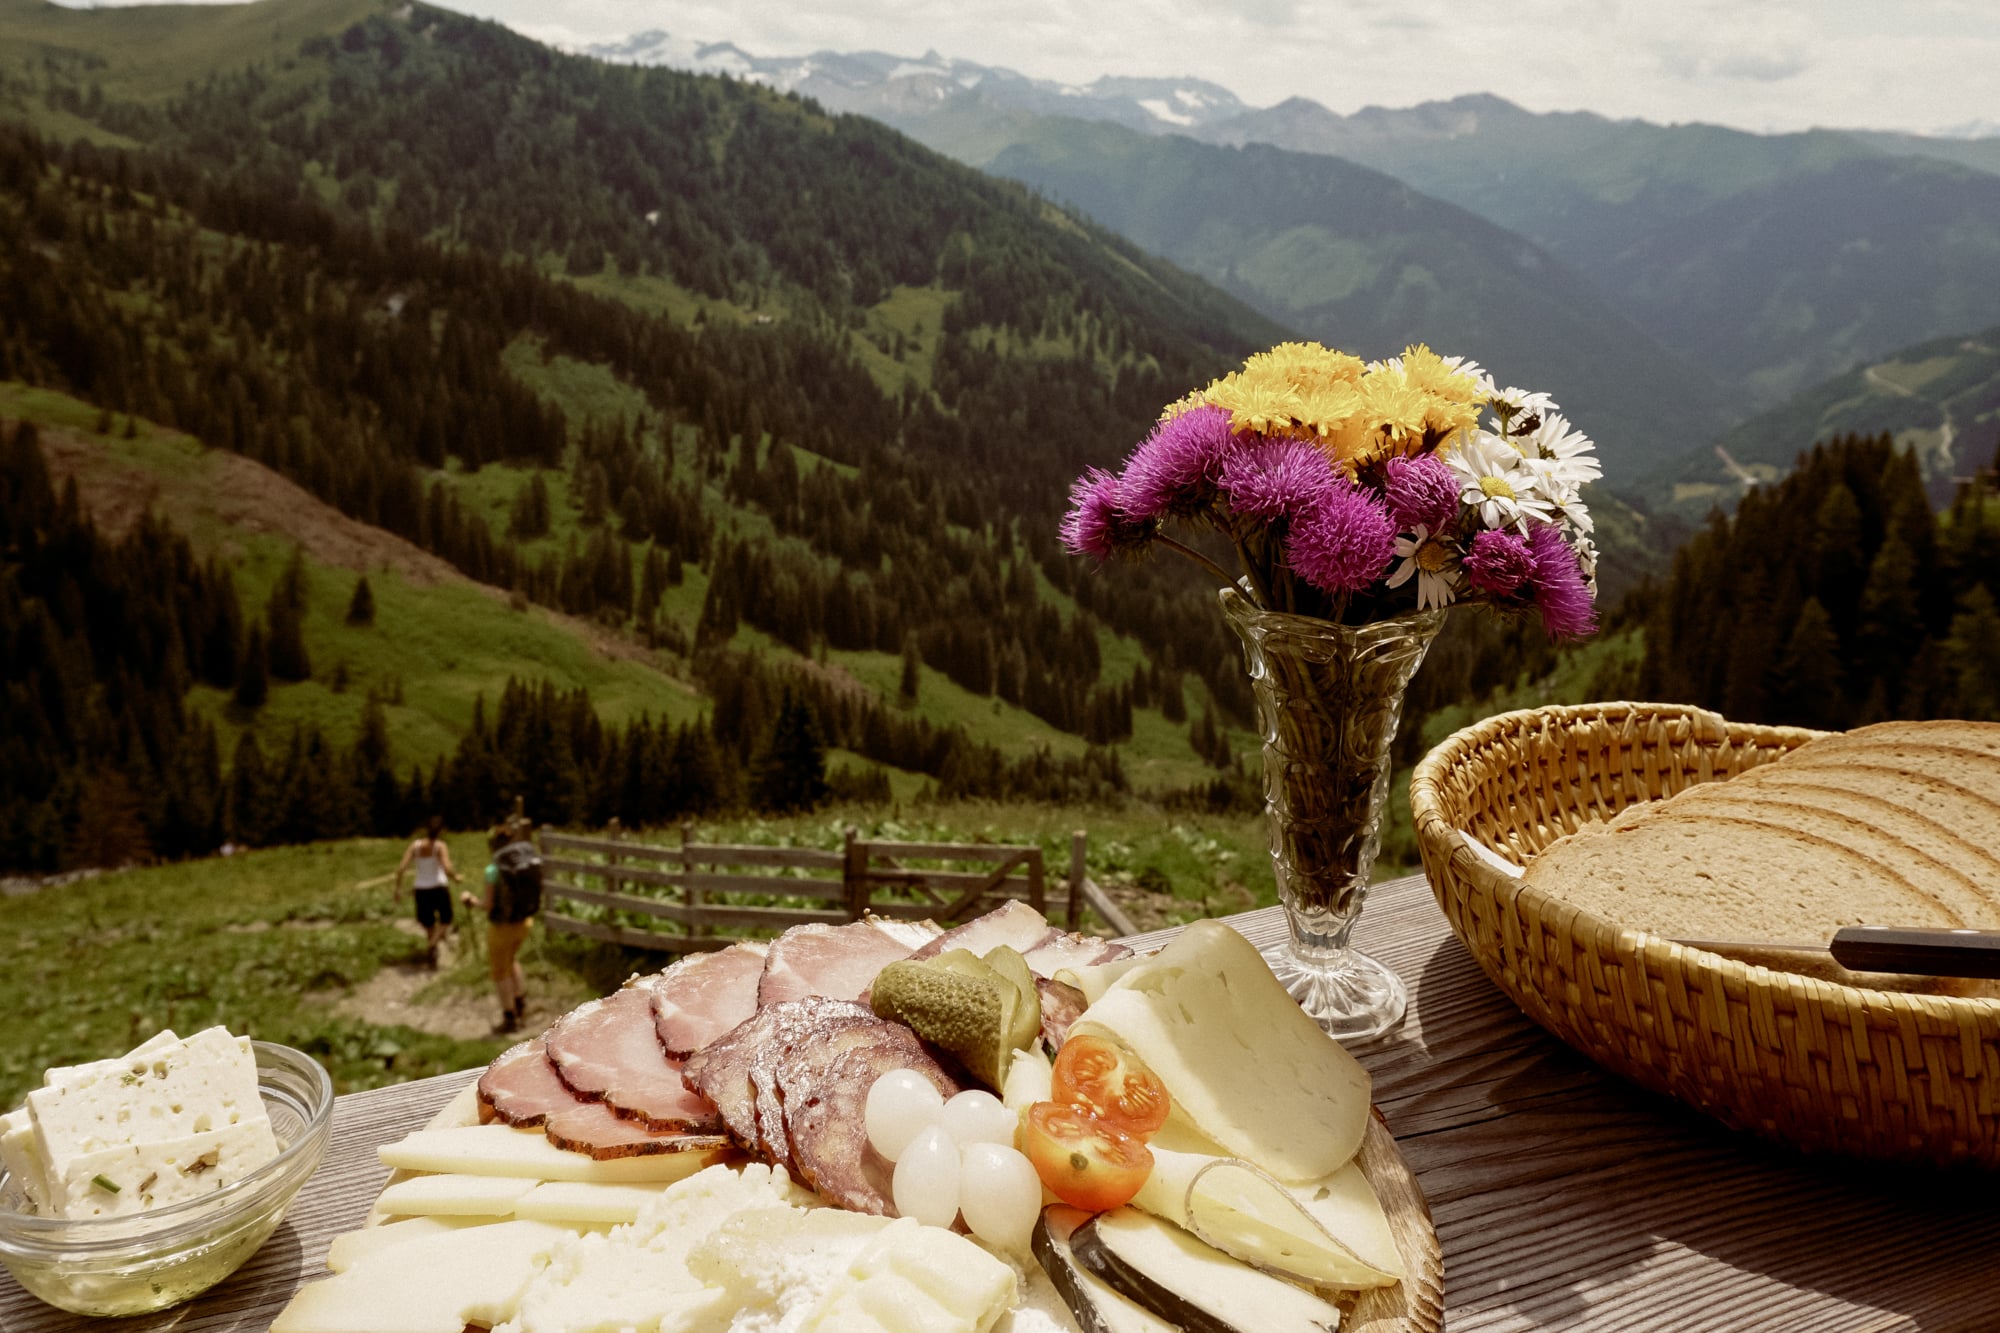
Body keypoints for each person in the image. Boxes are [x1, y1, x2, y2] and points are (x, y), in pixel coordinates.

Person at [464, 823, 541, 1033]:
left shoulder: (493, 870)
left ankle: (510, 1017)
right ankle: (520, 1003)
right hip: (524, 923)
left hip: (502, 929)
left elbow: (488, 904)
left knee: (500, 972)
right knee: (512, 960)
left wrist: (470, 900)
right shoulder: (522, 862)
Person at [393, 816, 459, 968]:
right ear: (441, 831)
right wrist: (456, 877)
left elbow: (401, 869)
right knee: (446, 919)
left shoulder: (415, 846)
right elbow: (447, 868)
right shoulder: (440, 846)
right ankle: (432, 944)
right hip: (438, 886)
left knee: (428, 922)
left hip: (421, 888)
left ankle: (433, 951)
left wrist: (397, 889)